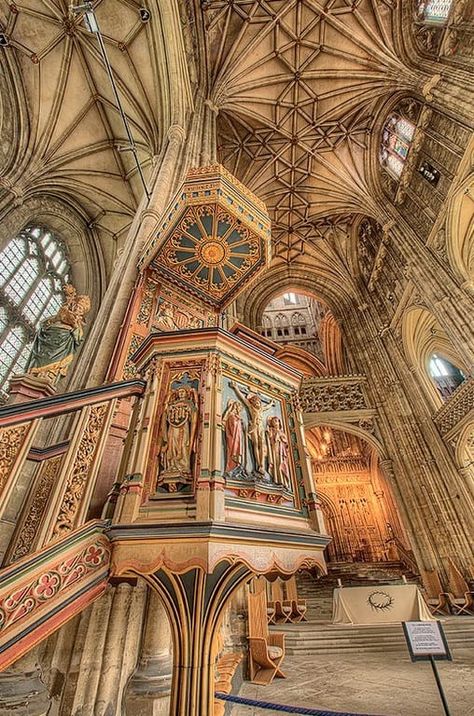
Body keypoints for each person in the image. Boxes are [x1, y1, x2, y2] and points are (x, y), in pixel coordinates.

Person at [26, 284, 90, 383]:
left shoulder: (78, 325)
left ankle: (46, 378)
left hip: (62, 345)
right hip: (49, 337)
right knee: (38, 362)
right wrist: (51, 322)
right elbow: (46, 322)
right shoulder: (64, 310)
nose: (78, 309)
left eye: (81, 309)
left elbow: (78, 339)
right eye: (77, 306)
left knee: (51, 371)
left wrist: (75, 325)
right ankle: (34, 373)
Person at [229, 382, 274, 474]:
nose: (257, 403)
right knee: (256, 444)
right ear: (252, 403)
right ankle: (258, 464)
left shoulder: (261, 409)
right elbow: (242, 398)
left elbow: (267, 406)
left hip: (260, 428)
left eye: (258, 402)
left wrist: (271, 403)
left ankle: (261, 464)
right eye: (255, 402)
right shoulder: (250, 407)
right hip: (254, 427)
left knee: (261, 443)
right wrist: (236, 388)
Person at [158, 386, 198, 479]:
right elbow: (165, 415)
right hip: (172, 428)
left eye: (183, 392)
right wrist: (169, 407)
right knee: (172, 445)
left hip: (184, 428)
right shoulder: (173, 404)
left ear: (187, 394)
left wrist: (190, 407)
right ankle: (171, 465)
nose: (181, 393)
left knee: (183, 445)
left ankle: (183, 466)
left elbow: (194, 414)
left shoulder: (189, 403)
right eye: (179, 392)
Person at [266, 415, 291, 489]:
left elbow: (286, 442)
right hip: (275, 449)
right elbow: (269, 439)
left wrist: (281, 437)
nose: (276, 423)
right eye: (274, 421)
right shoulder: (271, 431)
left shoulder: (282, 432)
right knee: (277, 463)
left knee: (282, 463)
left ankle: (283, 481)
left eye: (277, 421)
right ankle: (277, 479)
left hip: (281, 451)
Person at [223, 399, 244, 473]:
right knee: (233, 450)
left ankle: (238, 465)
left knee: (239, 449)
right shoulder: (231, 415)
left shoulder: (236, 416)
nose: (239, 409)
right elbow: (232, 425)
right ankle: (231, 467)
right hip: (233, 437)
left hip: (238, 437)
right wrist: (237, 420)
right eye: (238, 407)